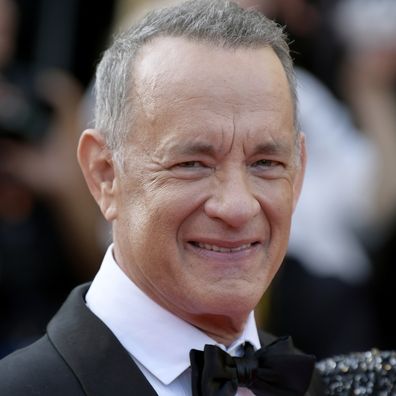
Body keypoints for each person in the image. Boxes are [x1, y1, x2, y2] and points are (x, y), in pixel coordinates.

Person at [0, 1, 324, 395]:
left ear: (299, 172)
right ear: (105, 174)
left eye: (265, 163)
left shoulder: (307, 383)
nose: (238, 206)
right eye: (193, 164)